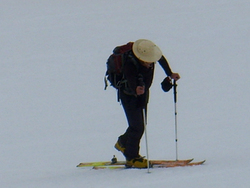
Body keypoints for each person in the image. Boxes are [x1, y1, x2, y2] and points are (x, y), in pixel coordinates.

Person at [114, 39, 180, 168]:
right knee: (137, 126)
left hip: (143, 92)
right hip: (129, 95)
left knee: (141, 123)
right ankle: (132, 157)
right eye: (147, 61)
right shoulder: (130, 63)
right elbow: (130, 78)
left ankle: (122, 143)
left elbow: (160, 59)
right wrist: (135, 89)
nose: (150, 64)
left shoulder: (150, 55)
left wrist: (170, 74)